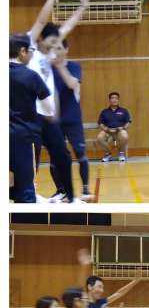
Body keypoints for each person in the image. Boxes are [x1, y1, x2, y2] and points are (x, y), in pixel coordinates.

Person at [26, 0, 88, 203]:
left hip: (49, 116)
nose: (55, 46)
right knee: (31, 157)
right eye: (51, 42)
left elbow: (68, 27)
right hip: (31, 115)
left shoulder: (49, 52)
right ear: (40, 39)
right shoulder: (30, 47)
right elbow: (42, 21)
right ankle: (30, 193)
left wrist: (82, 8)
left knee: (62, 155)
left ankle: (71, 197)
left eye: (57, 43)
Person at [9, 33, 51, 203]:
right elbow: (48, 108)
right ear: (22, 51)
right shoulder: (30, 76)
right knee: (25, 189)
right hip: (23, 137)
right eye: (31, 50)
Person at [50, 39, 93, 202]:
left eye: (59, 48)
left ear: (66, 49)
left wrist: (60, 65)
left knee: (80, 154)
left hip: (72, 118)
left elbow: (71, 84)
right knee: (55, 158)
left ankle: (86, 190)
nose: (56, 51)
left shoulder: (74, 66)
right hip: (54, 120)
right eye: (53, 48)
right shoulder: (48, 69)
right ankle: (61, 191)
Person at [97, 92, 131, 163]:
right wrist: (105, 128)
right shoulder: (104, 111)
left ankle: (121, 153)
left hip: (119, 132)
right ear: (109, 100)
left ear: (118, 100)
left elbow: (128, 122)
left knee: (125, 135)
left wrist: (123, 128)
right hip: (108, 132)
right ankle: (108, 154)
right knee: (99, 137)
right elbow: (100, 123)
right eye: (112, 98)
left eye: (116, 98)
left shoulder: (124, 111)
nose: (114, 100)